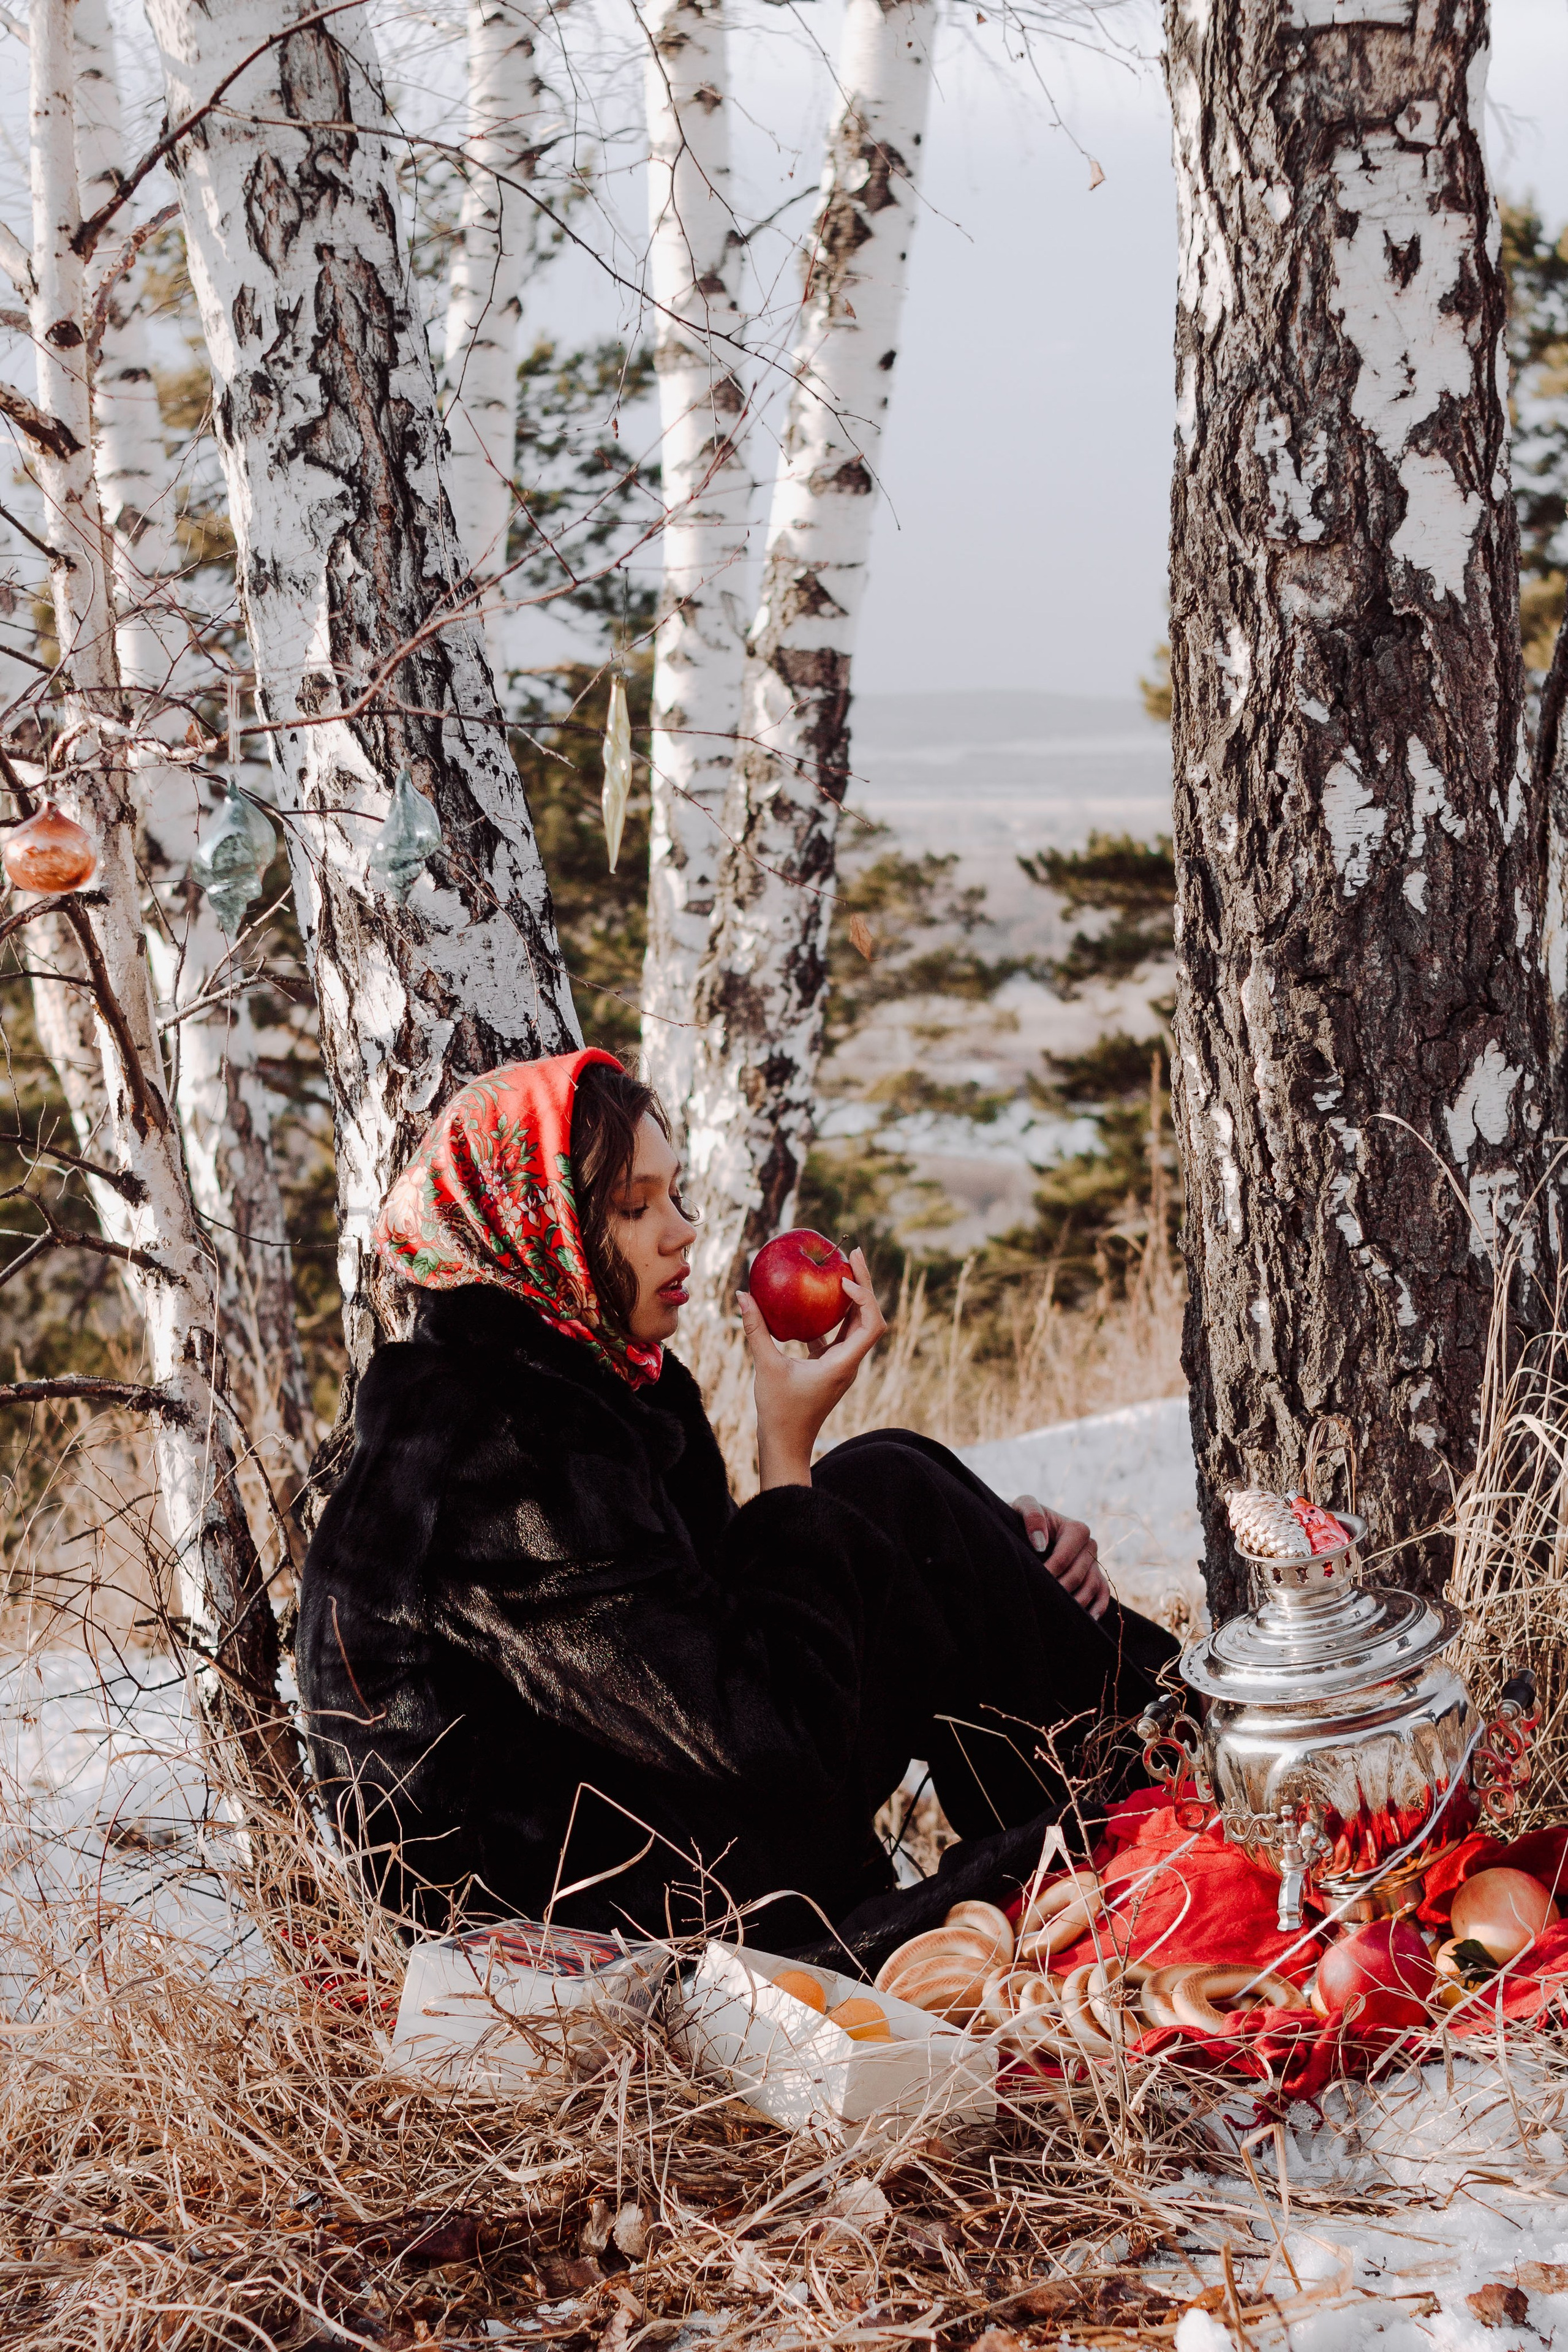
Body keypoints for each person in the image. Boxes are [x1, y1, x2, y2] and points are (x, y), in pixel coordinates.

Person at [297, 1050, 1178, 1961]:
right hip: (623, 1923)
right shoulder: (501, 1449)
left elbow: (716, 1644)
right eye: (634, 1208)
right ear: (535, 1229)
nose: (680, 1233)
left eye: (677, 1197)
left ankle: (1157, 1773)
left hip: (676, 1805)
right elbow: (767, 1734)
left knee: (891, 1484)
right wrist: (784, 1455)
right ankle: (1159, 1817)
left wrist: (1004, 1548)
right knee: (893, 1500)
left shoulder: (590, 1385)